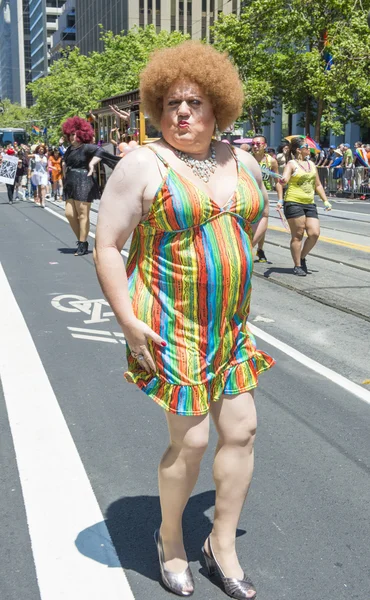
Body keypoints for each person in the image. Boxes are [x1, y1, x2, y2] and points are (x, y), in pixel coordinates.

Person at [94, 40, 274, 599]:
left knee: (241, 431)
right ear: (157, 108)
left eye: (194, 102)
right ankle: (170, 538)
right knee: (193, 441)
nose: (182, 113)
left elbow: (256, 221)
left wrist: (233, 276)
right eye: (171, 103)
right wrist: (127, 318)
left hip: (229, 329)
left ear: (219, 105)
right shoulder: (143, 163)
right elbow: (107, 245)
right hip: (172, 325)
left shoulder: (241, 161)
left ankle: (220, 545)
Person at [61, 116, 120, 256]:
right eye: (69, 135)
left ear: (81, 134)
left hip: (84, 180)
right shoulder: (69, 149)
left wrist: (92, 163)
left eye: (73, 134)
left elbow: (100, 151)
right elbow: (65, 162)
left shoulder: (87, 147)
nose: (71, 137)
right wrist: (64, 173)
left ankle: (82, 243)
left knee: (83, 215)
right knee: (69, 214)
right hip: (70, 181)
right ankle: (82, 241)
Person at [279, 137, 332, 276]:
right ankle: (297, 265)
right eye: (306, 147)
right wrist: (283, 180)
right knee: (298, 234)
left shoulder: (312, 164)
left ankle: (302, 258)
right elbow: (284, 180)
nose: (309, 149)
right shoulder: (291, 164)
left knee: (314, 233)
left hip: (309, 203)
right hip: (293, 201)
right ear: (298, 150)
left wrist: (325, 200)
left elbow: (318, 185)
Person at [250, 134, 283, 262]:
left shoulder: (271, 161)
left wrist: (280, 199)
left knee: (261, 223)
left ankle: (260, 249)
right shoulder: (246, 158)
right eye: (253, 144)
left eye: (258, 144)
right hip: (248, 194)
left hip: (263, 195)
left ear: (265, 146)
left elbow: (277, 180)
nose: (255, 146)